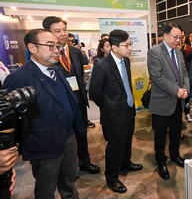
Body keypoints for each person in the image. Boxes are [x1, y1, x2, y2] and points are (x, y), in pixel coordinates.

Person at [3, 29, 84, 198]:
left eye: (57, 46)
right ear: (32, 48)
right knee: (46, 190)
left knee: (69, 183)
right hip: (43, 145)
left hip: (69, 138)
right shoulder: (19, 78)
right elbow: (11, 121)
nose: (56, 50)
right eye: (50, 46)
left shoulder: (58, 70)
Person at [42, 16, 100, 174]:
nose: (63, 33)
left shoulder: (74, 51)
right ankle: (67, 169)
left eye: (64, 29)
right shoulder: (45, 55)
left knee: (81, 133)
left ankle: (85, 162)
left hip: (78, 100)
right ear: (48, 33)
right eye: (57, 31)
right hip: (59, 103)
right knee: (64, 137)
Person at [89, 29, 143, 194]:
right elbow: (94, 94)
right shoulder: (102, 67)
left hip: (128, 109)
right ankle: (112, 177)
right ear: (113, 47)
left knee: (127, 139)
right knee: (114, 146)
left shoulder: (125, 61)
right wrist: (109, 107)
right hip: (113, 115)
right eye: (126, 45)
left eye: (130, 44)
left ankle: (125, 163)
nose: (130, 48)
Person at [147, 22, 190, 180]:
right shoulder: (154, 52)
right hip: (162, 103)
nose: (178, 40)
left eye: (180, 37)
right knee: (160, 135)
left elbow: (185, 73)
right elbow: (157, 77)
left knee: (176, 132)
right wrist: (176, 90)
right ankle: (161, 161)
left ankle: (174, 155)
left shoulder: (179, 53)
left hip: (178, 102)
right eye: (175, 37)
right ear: (164, 35)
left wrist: (185, 89)